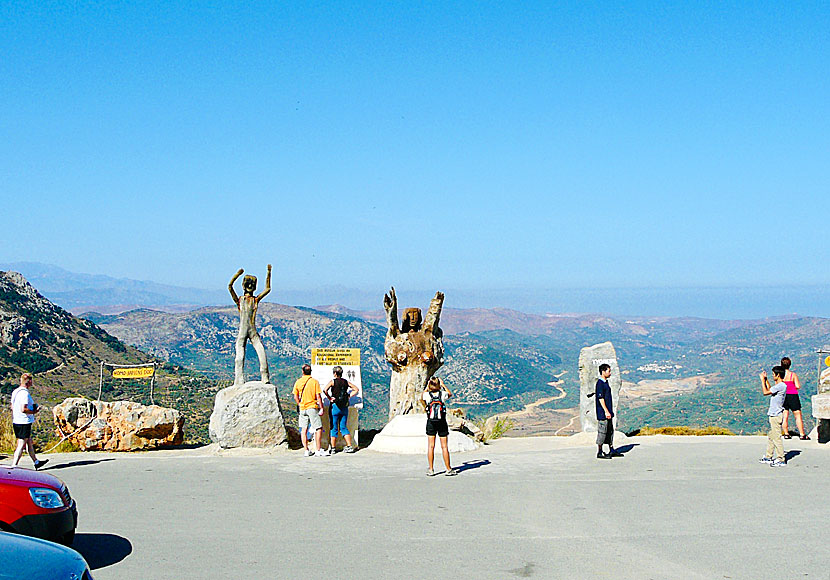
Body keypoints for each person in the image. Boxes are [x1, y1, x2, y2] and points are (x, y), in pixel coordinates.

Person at [10, 373, 48, 469]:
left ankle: (36, 461)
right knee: (21, 444)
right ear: (29, 381)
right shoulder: (24, 393)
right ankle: (14, 465)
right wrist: (34, 411)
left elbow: (12, 406)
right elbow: (23, 409)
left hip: (17, 420)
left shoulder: (15, 391)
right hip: (24, 421)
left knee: (29, 442)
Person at [423, 377, 457, 476]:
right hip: (442, 422)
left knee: (431, 446)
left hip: (431, 422)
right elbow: (450, 394)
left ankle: (431, 469)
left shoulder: (427, 395)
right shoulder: (442, 394)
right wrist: (443, 385)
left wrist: (427, 386)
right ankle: (448, 469)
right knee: (444, 447)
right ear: (438, 385)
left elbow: (422, 396)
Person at [292, 364, 327, 457]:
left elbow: (295, 396)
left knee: (304, 429)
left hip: (302, 408)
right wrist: (321, 407)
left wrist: (300, 404)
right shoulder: (314, 382)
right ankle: (318, 450)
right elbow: (318, 396)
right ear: (311, 371)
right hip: (312, 407)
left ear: (303, 371)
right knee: (318, 428)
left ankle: (306, 450)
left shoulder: (298, 382)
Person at [323, 366, 359, 453]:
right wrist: (348, 397)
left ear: (335, 373)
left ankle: (333, 448)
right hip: (344, 407)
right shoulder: (346, 382)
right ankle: (349, 446)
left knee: (334, 428)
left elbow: (325, 390)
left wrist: (329, 398)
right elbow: (356, 389)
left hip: (334, 406)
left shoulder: (332, 382)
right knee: (343, 427)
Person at [759, 366, 788, 467]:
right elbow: (770, 389)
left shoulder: (781, 386)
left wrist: (762, 381)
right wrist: (766, 380)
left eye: (773, 374)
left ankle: (781, 458)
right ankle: (768, 456)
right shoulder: (780, 386)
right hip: (773, 414)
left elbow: (765, 392)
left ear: (778, 375)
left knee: (776, 438)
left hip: (776, 415)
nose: (772, 376)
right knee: (772, 436)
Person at [595, 364, 622, 459]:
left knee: (610, 431)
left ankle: (611, 449)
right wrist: (606, 411)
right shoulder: (600, 383)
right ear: (603, 371)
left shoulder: (605, 382)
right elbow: (600, 398)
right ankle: (600, 451)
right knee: (602, 432)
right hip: (603, 413)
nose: (610, 373)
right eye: (608, 371)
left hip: (609, 412)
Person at [780, 356, 809, 440]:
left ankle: (786, 433)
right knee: (798, 416)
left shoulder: (781, 375)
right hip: (793, 395)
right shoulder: (793, 375)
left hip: (784, 396)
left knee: (785, 416)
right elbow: (798, 386)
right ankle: (802, 434)